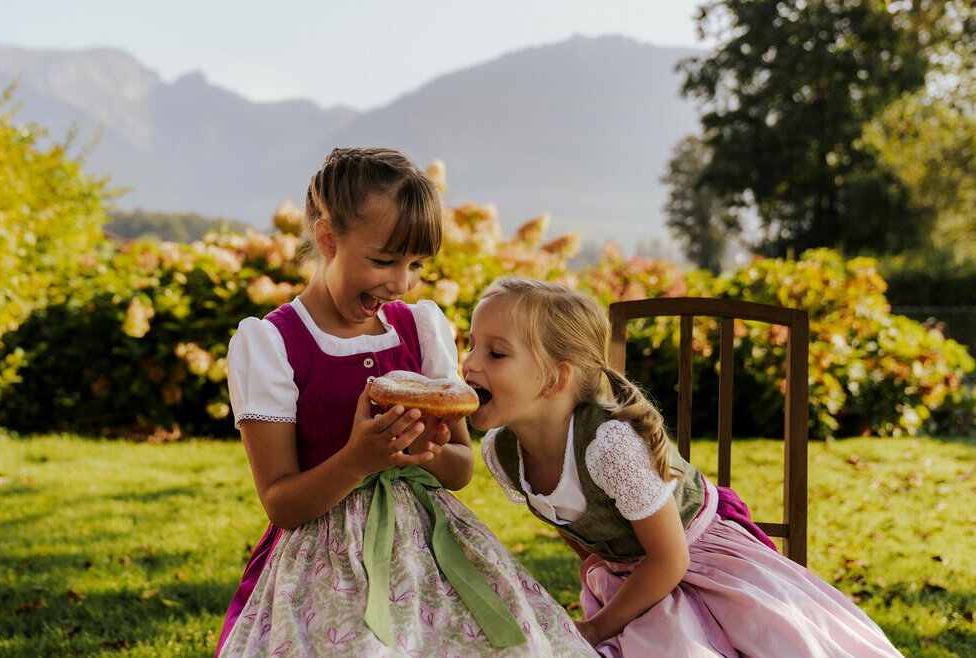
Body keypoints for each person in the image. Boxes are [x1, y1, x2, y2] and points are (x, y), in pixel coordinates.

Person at [216, 149, 595, 657]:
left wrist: (429, 451)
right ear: (327, 239)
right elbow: (281, 504)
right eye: (383, 260)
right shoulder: (272, 345)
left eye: (415, 264)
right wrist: (358, 460)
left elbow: (460, 468)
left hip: (433, 551)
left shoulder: (420, 330)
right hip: (326, 562)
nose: (400, 282)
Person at [463, 277, 903, 657]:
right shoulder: (502, 451)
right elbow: (573, 520)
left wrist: (598, 626)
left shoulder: (609, 445)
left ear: (555, 379)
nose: (469, 362)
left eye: (496, 353)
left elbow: (671, 557)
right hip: (639, 568)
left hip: (697, 556)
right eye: (470, 344)